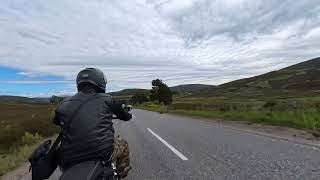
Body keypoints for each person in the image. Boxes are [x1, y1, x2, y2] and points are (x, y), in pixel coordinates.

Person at [53, 68, 132, 178]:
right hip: (101, 152)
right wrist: (129, 115)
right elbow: (125, 116)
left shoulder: (64, 103)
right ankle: (120, 174)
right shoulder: (107, 99)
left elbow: (56, 121)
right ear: (100, 82)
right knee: (123, 144)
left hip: (68, 156)